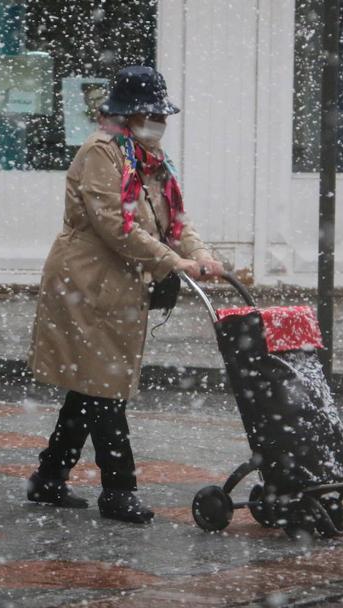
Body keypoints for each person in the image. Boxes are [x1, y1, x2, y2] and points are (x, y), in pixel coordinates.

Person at [26, 66, 225, 524]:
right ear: (128, 113)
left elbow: (176, 221)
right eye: (152, 113)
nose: (160, 122)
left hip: (120, 286)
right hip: (87, 284)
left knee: (92, 382)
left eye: (162, 114)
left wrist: (200, 254)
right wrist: (174, 263)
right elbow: (118, 225)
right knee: (105, 388)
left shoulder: (150, 159)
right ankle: (119, 489)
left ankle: (49, 477)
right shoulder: (103, 154)